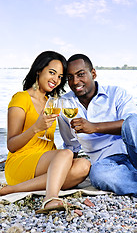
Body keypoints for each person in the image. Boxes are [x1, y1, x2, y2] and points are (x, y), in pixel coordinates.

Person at [0, 51, 91, 213]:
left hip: (46, 162)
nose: (56, 80)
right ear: (38, 70)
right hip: (21, 162)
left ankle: (12, 189)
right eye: (52, 73)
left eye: (60, 76)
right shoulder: (21, 98)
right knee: (66, 154)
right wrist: (35, 128)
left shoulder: (52, 101)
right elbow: (11, 145)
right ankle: (50, 198)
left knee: (84, 165)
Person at [58, 53, 137, 197]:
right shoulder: (64, 104)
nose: (75, 81)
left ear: (93, 73)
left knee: (133, 121)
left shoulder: (117, 94)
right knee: (98, 176)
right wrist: (68, 174)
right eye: (70, 77)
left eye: (81, 74)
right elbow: (71, 144)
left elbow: (133, 126)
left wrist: (94, 127)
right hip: (105, 164)